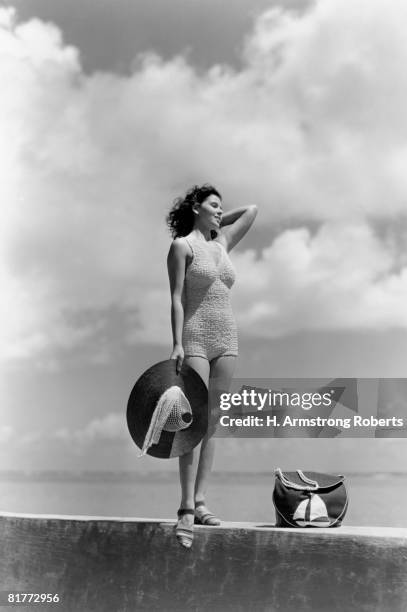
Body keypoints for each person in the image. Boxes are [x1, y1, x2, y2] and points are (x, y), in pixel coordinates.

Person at [166, 184, 257, 548]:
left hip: (227, 338)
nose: (220, 212)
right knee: (192, 422)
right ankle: (186, 508)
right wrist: (176, 343)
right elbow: (175, 297)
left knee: (214, 424)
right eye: (213, 206)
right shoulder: (181, 247)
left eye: (221, 207)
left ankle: (202, 501)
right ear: (195, 208)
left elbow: (251, 209)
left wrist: (217, 218)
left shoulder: (222, 244)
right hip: (195, 335)